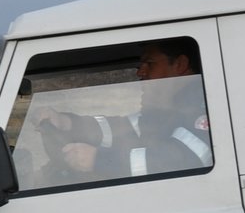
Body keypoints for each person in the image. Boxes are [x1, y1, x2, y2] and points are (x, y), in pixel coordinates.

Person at [35, 38, 213, 180]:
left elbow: (179, 162)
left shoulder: (207, 107)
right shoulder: (166, 110)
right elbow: (122, 129)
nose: (140, 72)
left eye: (149, 64)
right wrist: (67, 123)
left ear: (180, 64)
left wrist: (99, 160)